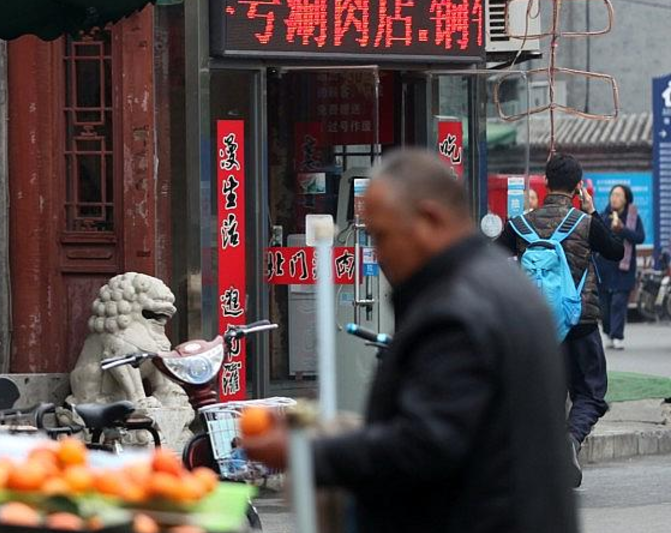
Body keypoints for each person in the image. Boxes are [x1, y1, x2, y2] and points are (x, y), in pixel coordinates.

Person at [245, 150, 577, 533]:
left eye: (384, 236)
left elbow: (425, 445)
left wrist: (303, 452)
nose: (379, 255)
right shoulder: (507, 287)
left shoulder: (457, 310)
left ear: (430, 218)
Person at [497, 152, 622, 487]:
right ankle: (570, 439)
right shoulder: (585, 222)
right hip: (579, 322)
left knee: (543, 393)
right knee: (591, 393)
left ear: (546, 181)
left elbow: (490, 257)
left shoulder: (521, 224)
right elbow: (615, 251)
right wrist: (593, 210)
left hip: (536, 325)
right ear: (578, 187)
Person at [597, 184, 645, 350]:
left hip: (624, 268)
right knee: (604, 306)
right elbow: (597, 237)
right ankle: (607, 332)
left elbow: (640, 237)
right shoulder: (603, 216)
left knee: (618, 303)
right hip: (604, 267)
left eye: (618, 195)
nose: (614, 198)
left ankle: (617, 336)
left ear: (626, 199)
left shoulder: (633, 218)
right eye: (613, 195)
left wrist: (622, 229)